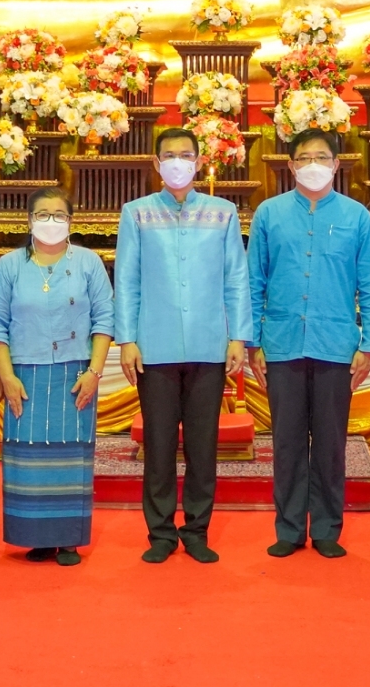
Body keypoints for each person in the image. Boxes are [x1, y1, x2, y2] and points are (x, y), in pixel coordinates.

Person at [115, 125, 252, 564]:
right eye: (169, 155)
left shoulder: (223, 212)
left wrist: (238, 337)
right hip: (153, 346)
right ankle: (160, 532)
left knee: (201, 443)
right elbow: (128, 279)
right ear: (157, 164)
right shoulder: (136, 213)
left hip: (209, 344)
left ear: (198, 162)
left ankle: (196, 529)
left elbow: (236, 278)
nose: (178, 161)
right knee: (158, 444)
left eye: (186, 154)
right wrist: (127, 340)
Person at [247, 129, 370, 560]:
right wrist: (252, 341)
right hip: (282, 344)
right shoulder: (268, 214)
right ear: (290, 165)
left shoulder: (356, 216)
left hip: (336, 345)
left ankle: (326, 526)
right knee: (286, 441)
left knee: (329, 441)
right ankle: (288, 527)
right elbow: (254, 283)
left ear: (335, 164)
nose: (312, 163)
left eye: (321, 156)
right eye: (303, 157)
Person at [0, 187, 114, 563]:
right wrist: (6, 376)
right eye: (43, 214)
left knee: (71, 456)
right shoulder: (10, 265)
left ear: (71, 221)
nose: (51, 221)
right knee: (27, 456)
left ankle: (69, 538)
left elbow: (105, 319)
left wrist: (94, 371)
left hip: (76, 373)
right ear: (28, 220)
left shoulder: (89, 262)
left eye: (59, 214)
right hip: (23, 373)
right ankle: (36, 535)